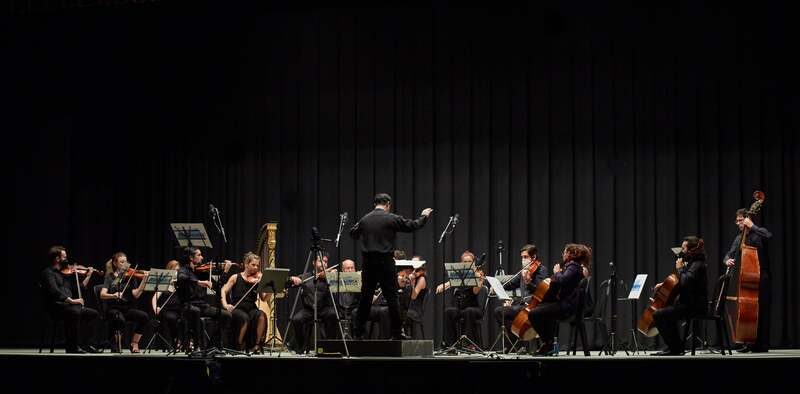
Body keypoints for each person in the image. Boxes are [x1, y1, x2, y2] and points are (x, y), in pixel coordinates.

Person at [350, 193, 432, 340]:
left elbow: (353, 233)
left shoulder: (365, 219)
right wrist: (424, 216)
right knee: (392, 298)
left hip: (368, 264)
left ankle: (358, 333)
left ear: (374, 204)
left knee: (365, 298)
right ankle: (397, 332)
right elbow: (412, 225)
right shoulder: (391, 218)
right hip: (385, 263)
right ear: (388, 204)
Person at [528, 243, 592, 356]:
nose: (563, 254)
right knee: (541, 309)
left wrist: (557, 272)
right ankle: (548, 344)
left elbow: (563, 281)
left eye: (565, 252)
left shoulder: (573, 267)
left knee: (533, 313)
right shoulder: (573, 267)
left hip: (567, 307)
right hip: (567, 304)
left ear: (570, 254)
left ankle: (548, 343)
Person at [724, 208, 772, 353]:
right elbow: (728, 254)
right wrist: (727, 260)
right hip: (748, 276)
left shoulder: (758, 232)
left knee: (761, 309)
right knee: (749, 310)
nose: (737, 223)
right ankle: (749, 342)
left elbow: (769, 236)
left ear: (746, 219)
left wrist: (753, 226)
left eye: (740, 220)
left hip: (761, 275)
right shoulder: (739, 238)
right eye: (737, 220)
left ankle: (762, 344)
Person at [652, 236, 709, 356]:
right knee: (665, 313)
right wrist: (665, 284)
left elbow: (686, 281)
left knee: (659, 315)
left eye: (684, 248)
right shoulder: (693, 263)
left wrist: (680, 269)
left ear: (691, 250)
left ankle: (675, 348)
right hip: (688, 303)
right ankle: (676, 347)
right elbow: (683, 282)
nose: (682, 251)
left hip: (694, 306)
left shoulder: (698, 265)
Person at [39, 245, 100, 353]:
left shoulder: (65, 273)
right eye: (64, 257)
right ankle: (71, 347)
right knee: (74, 311)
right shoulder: (48, 273)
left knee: (93, 313)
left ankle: (86, 344)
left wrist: (88, 276)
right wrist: (71, 301)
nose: (66, 259)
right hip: (56, 307)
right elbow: (54, 291)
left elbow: (78, 288)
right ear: (57, 259)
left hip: (68, 306)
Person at [493, 244, 548, 352]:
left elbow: (539, 290)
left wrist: (529, 282)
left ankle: (518, 346)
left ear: (533, 257)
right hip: (523, 305)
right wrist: (496, 286)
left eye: (525, 257)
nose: (523, 260)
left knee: (506, 312)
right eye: (522, 257)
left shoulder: (541, 270)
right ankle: (514, 346)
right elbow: (511, 284)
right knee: (499, 311)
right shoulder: (523, 271)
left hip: (534, 305)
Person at [175, 246, 232, 351]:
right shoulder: (183, 270)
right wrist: (198, 282)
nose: (202, 257)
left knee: (226, 315)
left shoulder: (202, 272)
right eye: (199, 255)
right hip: (187, 306)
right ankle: (198, 346)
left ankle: (210, 345)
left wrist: (225, 272)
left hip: (202, 306)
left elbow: (217, 286)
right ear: (191, 258)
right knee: (195, 312)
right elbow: (182, 278)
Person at [287, 254, 338, 353]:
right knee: (296, 319)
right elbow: (288, 283)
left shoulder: (330, 277)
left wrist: (333, 277)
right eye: (321, 261)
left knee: (333, 314)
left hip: (324, 309)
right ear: (314, 263)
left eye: (326, 262)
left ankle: (329, 346)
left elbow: (337, 288)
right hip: (309, 310)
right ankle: (301, 347)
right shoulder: (305, 276)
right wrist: (292, 279)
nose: (324, 263)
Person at [221, 252, 268, 352]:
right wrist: (225, 304)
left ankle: (257, 345)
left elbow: (263, 298)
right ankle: (239, 345)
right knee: (244, 318)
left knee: (261, 316)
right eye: (253, 265)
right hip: (238, 307)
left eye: (257, 265)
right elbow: (223, 290)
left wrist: (270, 289)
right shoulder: (235, 277)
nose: (256, 268)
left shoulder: (257, 279)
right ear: (246, 264)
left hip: (251, 308)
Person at [440, 251, 486, 347]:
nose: (467, 264)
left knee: (468, 311)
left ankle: (468, 343)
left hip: (474, 308)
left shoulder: (478, 273)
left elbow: (475, 291)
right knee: (449, 311)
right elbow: (451, 282)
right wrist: (445, 285)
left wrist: (479, 280)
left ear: (473, 263)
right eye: (465, 262)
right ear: (461, 264)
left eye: (469, 262)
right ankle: (451, 344)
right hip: (460, 307)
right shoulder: (459, 275)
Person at [151, 260, 181, 345]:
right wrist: (155, 308)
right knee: (172, 318)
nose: (176, 273)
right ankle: (176, 341)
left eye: (178, 271)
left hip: (180, 309)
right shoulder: (165, 282)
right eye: (174, 270)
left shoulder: (181, 283)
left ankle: (188, 342)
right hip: (169, 310)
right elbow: (154, 298)